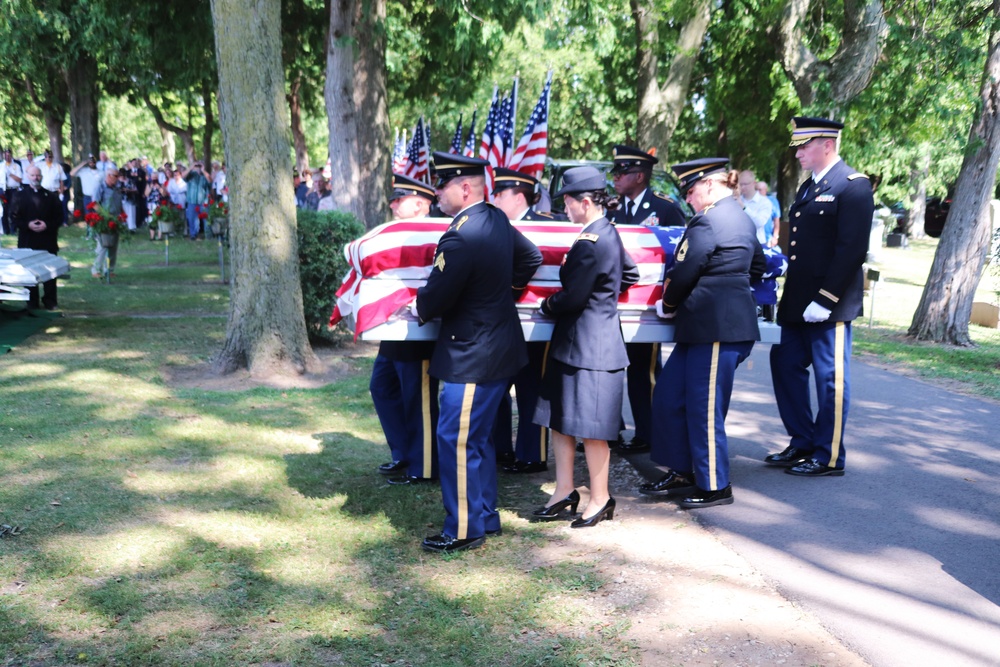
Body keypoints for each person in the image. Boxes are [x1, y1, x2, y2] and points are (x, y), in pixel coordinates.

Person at [414, 152, 541, 553]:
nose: (436, 192)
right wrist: (501, 294)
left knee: (455, 438)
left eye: (442, 185)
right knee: (479, 438)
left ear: (465, 187)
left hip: (472, 354)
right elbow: (531, 257)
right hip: (499, 347)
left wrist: (418, 305)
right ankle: (484, 515)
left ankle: (465, 528)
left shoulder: (461, 235)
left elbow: (436, 295)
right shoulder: (497, 219)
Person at [639, 158, 766, 508]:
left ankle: (714, 484)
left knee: (703, 408)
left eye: (691, 191)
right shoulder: (740, 217)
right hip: (711, 326)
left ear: (709, 185)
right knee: (669, 396)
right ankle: (683, 468)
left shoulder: (709, 220)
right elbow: (758, 266)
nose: (689, 200)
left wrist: (669, 302)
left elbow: (685, 270)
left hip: (714, 328)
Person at [765, 117, 874, 477]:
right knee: (784, 365)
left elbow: (851, 250)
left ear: (827, 144)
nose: (797, 153)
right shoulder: (809, 187)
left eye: (804, 146)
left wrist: (826, 299)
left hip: (831, 304)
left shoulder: (853, 186)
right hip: (798, 301)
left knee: (831, 380)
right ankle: (802, 441)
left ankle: (827, 455)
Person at [532, 166, 638, 526]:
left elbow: (573, 297)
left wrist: (547, 305)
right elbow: (631, 273)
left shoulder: (593, 242)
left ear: (587, 202)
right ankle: (564, 491)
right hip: (578, 345)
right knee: (561, 421)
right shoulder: (603, 233)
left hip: (591, 348)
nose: (564, 207)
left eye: (568, 201)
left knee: (592, 430)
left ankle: (601, 498)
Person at [607, 145, 686, 454]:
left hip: (645, 306)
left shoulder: (664, 208)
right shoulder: (614, 209)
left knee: (644, 370)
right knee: (611, 367)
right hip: (615, 303)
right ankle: (610, 430)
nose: (615, 178)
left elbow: (679, 251)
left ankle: (650, 433)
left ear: (639, 176)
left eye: (621, 173)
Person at [490, 167, 565, 474]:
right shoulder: (492, 224)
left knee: (531, 387)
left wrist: (513, 290)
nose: (493, 198)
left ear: (518, 196)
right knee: (496, 385)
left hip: (536, 321)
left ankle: (531, 455)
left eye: (499, 194)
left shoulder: (551, 225)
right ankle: (501, 449)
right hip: (501, 321)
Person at [371, 174, 440, 485]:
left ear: (421, 204)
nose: (393, 204)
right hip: (395, 329)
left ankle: (423, 465)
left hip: (419, 329)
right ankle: (403, 451)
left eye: (400, 199)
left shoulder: (435, 233)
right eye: (394, 199)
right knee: (382, 386)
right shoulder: (397, 232)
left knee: (418, 399)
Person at [9, 165, 63, 309]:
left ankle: (50, 301)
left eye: (38, 175)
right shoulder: (19, 196)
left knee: (50, 272)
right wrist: (28, 225)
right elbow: (14, 218)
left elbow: (59, 218)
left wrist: (47, 225)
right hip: (28, 240)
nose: (35, 178)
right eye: (32, 175)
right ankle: (32, 302)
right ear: (27, 176)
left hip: (48, 239)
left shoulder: (51, 197)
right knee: (29, 273)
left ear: (42, 176)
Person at [91, 167, 124, 278]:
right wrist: (106, 215)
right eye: (116, 176)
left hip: (116, 220)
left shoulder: (117, 188)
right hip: (103, 221)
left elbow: (119, 203)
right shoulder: (100, 187)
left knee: (114, 245)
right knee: (102, 246)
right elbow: (95, 204)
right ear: (109, 176)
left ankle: (109, 270)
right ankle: (96, 270)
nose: (118, 178)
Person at [737, 169, 773, 246]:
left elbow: (759, 223)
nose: (742, 187)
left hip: (757, 243)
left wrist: (743, 207)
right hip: (739, 243)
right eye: (740, 184)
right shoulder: (736, 200)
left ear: (754, 183)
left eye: (745, 184)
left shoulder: (764, 202)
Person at [183, 162, 210, 239]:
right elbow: (183, 176)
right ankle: (193, 235)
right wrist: (190, 168)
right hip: (192, 201)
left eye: (199, 165)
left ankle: (208, 235)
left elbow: (210, 180)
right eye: (196, 166)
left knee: (206, 219)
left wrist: (203, 170)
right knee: (192, 219)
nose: (197, 167)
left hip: (203, 202)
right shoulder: (190, 175)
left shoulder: (204, 175)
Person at [1, 147, 24, 235]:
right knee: (4, 210)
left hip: (14, 190)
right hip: (3, 191)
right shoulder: (1, 166)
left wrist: (10, 174)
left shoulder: (16, 166)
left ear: (11, 155)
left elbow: (20, 179)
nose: (7, 156)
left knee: (14, 210)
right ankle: (6, 230)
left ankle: (13, 229)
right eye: (5, 155)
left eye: (9, 155)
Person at [757, 181, 782, 248]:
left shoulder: (772, 201)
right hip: (755, 237)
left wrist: (775, 237)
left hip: (768, 238)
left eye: (760, 190)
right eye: (756, 190)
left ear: (766, 190)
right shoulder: (753, 201)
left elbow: (776, 220)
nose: (758, 192)